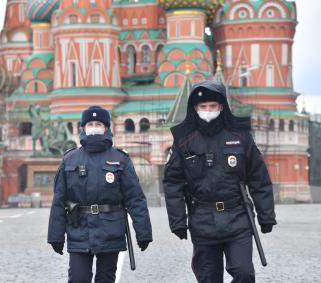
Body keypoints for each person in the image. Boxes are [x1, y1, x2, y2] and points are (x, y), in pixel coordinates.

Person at [163, 80, 276, 283]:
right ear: (195, 108)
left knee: (244, 273)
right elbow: (173, 183)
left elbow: (258, 178)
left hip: (238, 217)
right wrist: (178, 221)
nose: (208, 110)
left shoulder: (241, 136)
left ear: (221, 107)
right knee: (208, 278)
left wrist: (266, 214)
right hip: (203, 219)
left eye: (213, 106)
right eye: (203, 107)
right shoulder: (184, 140)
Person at [47, 106, 153, 283]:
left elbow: (135, 199)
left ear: (106, 128)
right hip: (79, 228)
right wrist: (55, 236)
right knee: (78, 278)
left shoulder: (120, 159)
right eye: (90, 124)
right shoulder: (70, 159)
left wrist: (143, 232)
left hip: (110, 229)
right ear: (83, 127)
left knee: (105, 279)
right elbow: (59, 200)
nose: (94, 127)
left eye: (98, 124)